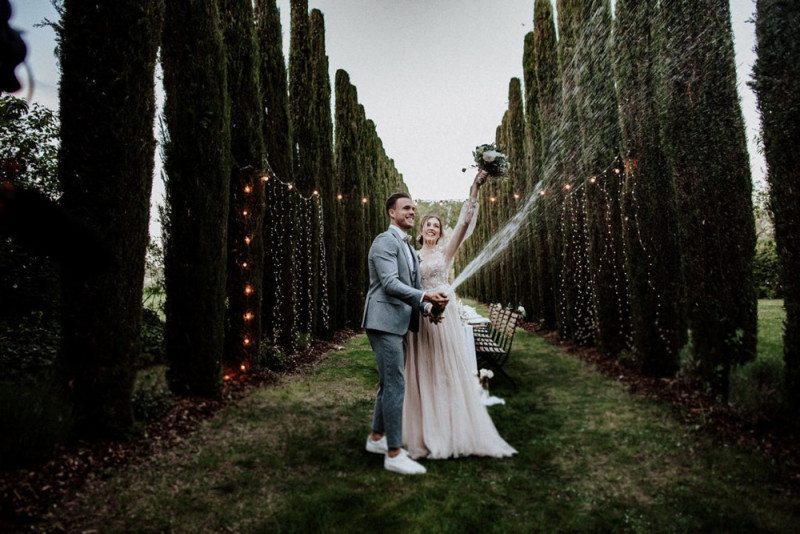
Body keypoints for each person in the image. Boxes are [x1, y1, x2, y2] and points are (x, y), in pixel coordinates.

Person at [403, 170, 517, 459]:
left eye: (436, 226)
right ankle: (427, 427)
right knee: (423, 368)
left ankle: (453, 425)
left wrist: (474, 189)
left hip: (444, 313)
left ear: (441, 233)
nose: (431, 228)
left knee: (445, 365)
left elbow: (465, 224)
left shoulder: (445, 253)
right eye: (427, 224)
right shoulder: (411, 255)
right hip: (421, 314)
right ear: (421, 230)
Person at [362, 191, 450, 475]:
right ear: (392, 212)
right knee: (396, 384)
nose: (412, 212)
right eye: (406, 208)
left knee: (387, 383)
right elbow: (389, 284)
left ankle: (376, 438)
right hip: (383, 321)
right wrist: (426, 294)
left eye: (414, 208)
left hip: (398, 322)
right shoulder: (384, 241)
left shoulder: (410, 249)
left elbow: (410, 293)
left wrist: (428, 310)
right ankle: (394, 453)